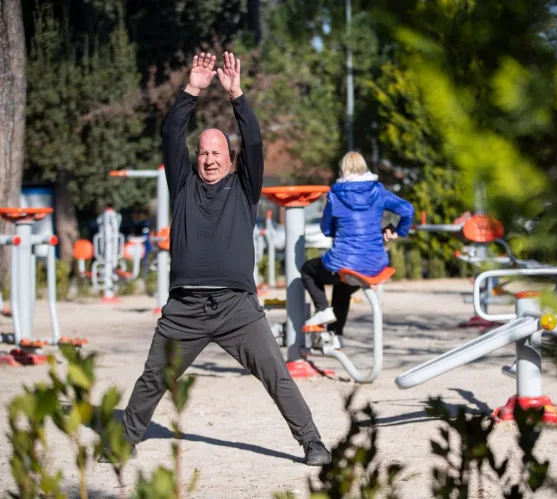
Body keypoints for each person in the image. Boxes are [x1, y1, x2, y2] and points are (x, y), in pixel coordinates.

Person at [99, 51, 331, 466]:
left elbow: (255, 140)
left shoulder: (244, 188)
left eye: (216, 153)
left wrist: (236, 95)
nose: (208, 158)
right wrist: (192, 90)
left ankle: (313, 443)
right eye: (203, 152)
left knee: (277, 376)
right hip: (184, 310)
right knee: (154, 377)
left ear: (229, 158)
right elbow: (172, 135)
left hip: (236, 307)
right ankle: (124, 441)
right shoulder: (184, 184)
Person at [300, 151, 414, 348]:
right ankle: (336, 335)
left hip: (344, 262)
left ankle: (322, 309)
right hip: (376, 265)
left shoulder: (335, 194)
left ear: (343, 169)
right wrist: (397, 231)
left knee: (308, 270)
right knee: (342, 286)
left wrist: (343, 229)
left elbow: (326, 229)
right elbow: (408, 210)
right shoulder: (378, 191)